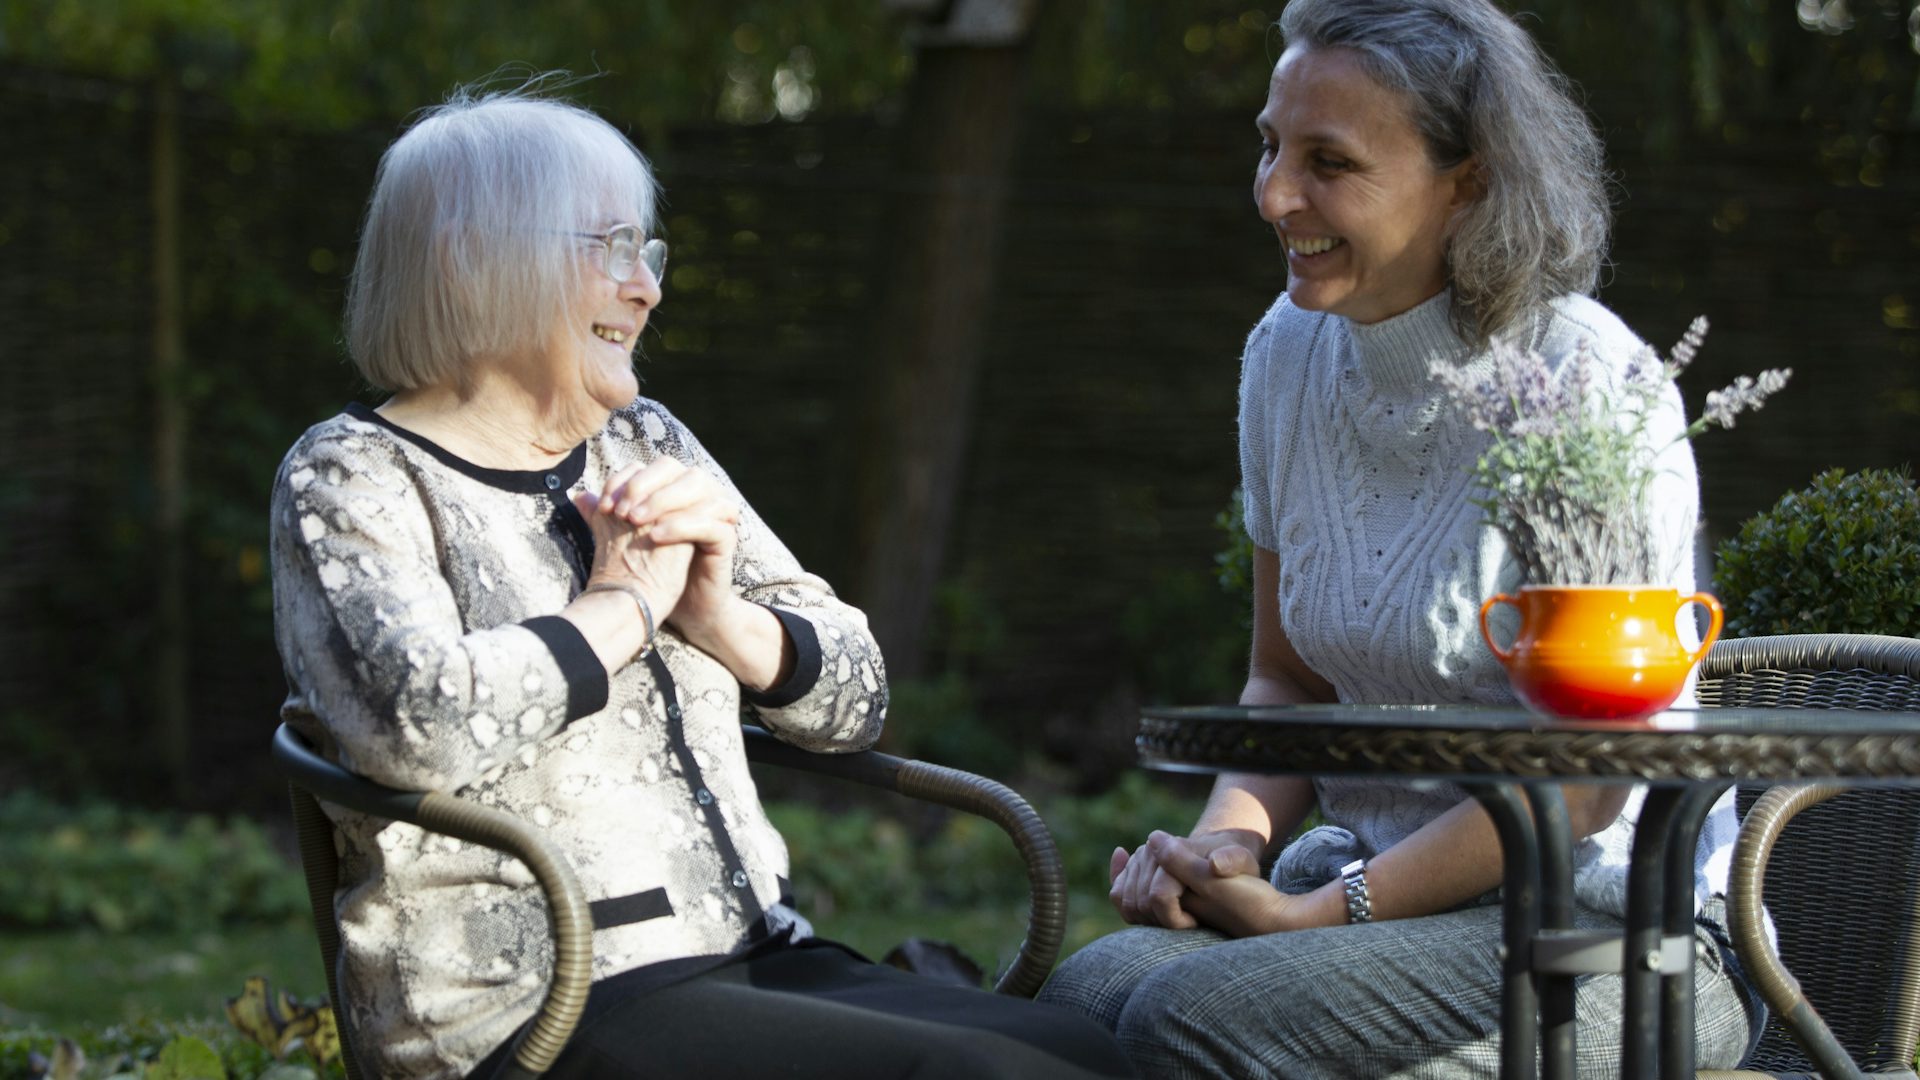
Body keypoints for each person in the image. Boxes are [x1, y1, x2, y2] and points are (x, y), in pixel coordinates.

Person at [269, 82, 1134, 1080]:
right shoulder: (354, 472)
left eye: (649, 254)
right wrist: (620, 606)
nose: (647, 288)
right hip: (529, 1004)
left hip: (750, 945)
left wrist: (718, 615)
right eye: (610, 249)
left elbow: (857, 695)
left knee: (1086, 1050)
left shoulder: (643, 439)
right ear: (470, 259)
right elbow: (407, 722)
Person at [1034, 1, 1764, 1076]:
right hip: (1376, 892)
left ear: (1469, 179)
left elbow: (1586, 780)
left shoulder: (1590, 389)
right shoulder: (1286, 355)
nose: (1276, 194)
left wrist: (1324, 913)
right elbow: (1286, 680)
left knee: (1187, 1023)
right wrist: (1230, 841)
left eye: (1330, 161)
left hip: (1611, 935)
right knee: (1080, 998)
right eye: (1271, 145)